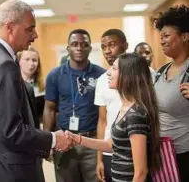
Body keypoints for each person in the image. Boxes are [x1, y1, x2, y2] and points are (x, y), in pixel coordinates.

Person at [0, 0, 70, 182]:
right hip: (11, 169)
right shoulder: (4, 65)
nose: (35, 35)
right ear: (10, 28)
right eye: (30, 29)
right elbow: (11, 131)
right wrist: (53, 138)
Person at [66, 53, 161, 182]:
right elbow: (110, 145)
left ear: (128, 75)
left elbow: (141, 172)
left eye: (114, 69)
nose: (108, 73)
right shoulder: (125, 109)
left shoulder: (135, 115)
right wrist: (78, 139)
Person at [43, 29, 105, 182]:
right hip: (65, 141)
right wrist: (46, 141)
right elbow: (49, 109)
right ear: (68, 48)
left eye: (84, 45)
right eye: (74, 44)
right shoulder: (54, 75)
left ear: (90, 48)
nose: (79, 48)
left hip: (92, 142)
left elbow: (105, 114)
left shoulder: (102, 75)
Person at [153, 4, 189, 182]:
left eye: (166, 35)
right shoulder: (161, 71)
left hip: (185, 155)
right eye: (161, 36)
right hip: (163, 154)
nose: (161, 41)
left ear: (184, 36)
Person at [94, 29, 128, 182]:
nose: (107, 51)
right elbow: (102, 121)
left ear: (125, 46)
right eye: (103, 47)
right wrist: (99, 159)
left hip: (136, 149)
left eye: (112, 45)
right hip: (110, 152)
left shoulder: (146, 73)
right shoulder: (103, 80)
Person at [17, 47, 44, 128]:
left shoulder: (42, 86)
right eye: (27, 59)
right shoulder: (15, 84)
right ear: (19, 61)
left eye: (34, 60)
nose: (31, 64)